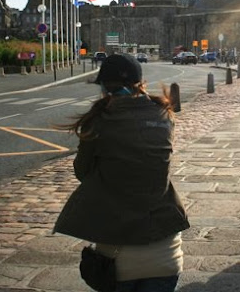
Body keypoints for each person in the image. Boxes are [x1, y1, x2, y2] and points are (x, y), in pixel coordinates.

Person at [54, 53, 190, 291]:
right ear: (140, 82)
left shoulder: (98, 121)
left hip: (117, 257)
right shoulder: (164, 115)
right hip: (166, 255)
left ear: (105, 87)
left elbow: (82, 172)